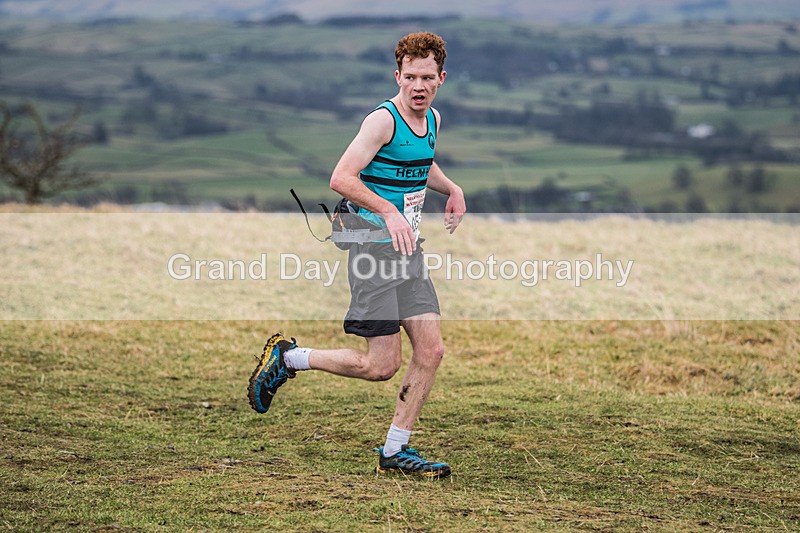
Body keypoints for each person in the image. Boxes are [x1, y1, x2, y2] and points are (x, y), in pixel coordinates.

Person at [248, 32, 466, 479]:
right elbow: (341, 177)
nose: (418, 86)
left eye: (427, 77)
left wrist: (452, 188)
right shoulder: (381, 121)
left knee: (432, 349)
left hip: (406, 250)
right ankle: (288, 358)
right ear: (397, 76)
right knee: (380, 365)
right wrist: (388, 211)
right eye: (409, 77)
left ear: (441, 78)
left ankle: (395, 451)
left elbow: (419, 164)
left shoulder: (434, 119)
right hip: (370, 247)